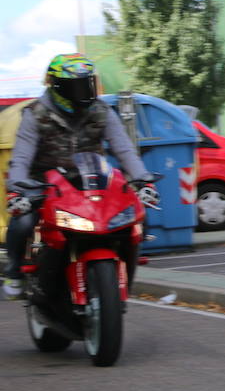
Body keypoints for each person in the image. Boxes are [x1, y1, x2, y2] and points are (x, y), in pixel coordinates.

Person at [5, 54, 156, 298]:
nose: (85, 91)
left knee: (137, 215)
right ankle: (14, 271)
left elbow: (124, 149)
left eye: (88, 83)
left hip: (92, 182)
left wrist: (143, 179)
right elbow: (21, 157)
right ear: (57, 86)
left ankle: (123, 271)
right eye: (76, 85)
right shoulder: (35, 114)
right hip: (44, 185)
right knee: (22, 223)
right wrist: (18, 189)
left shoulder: (102, 111)